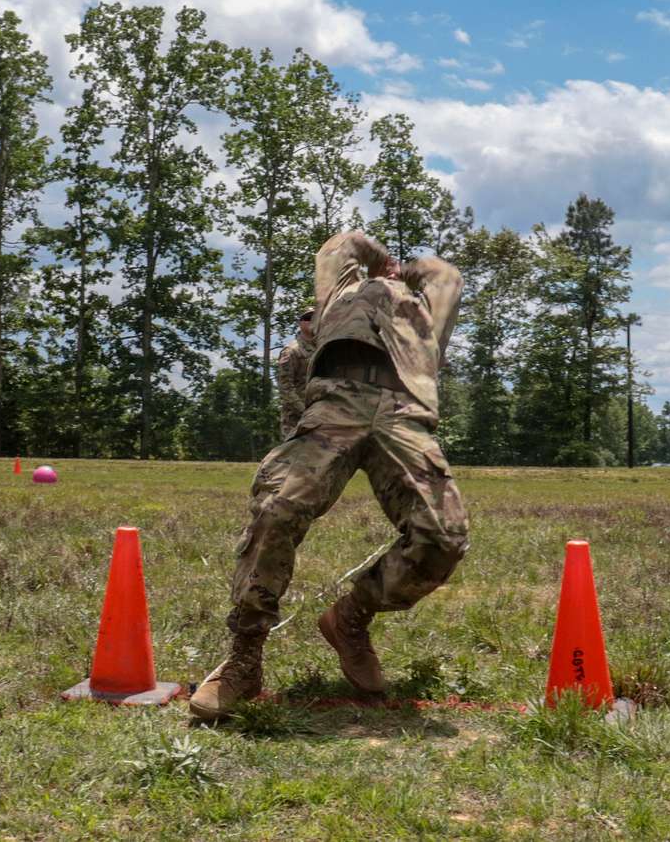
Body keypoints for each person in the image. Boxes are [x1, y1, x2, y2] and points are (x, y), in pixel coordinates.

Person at [190, 230, 468, 722]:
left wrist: (404, 274)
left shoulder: (424, 310)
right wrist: (379, 262)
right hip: (336, 404)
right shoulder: (341, 291)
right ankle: (244, 659)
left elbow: (446, 275)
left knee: (443, 536)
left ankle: (350, 620)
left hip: (406, 412)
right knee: (277, 509)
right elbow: (342, 244)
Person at [275, 308, 316, 440]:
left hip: (320, 415)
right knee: (292, 458)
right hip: (295, 419)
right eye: (307, 318)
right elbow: (285, 388)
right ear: (300, 323)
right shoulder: (291, 351)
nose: (312, 321)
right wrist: (304, 410)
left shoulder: (324, 348)